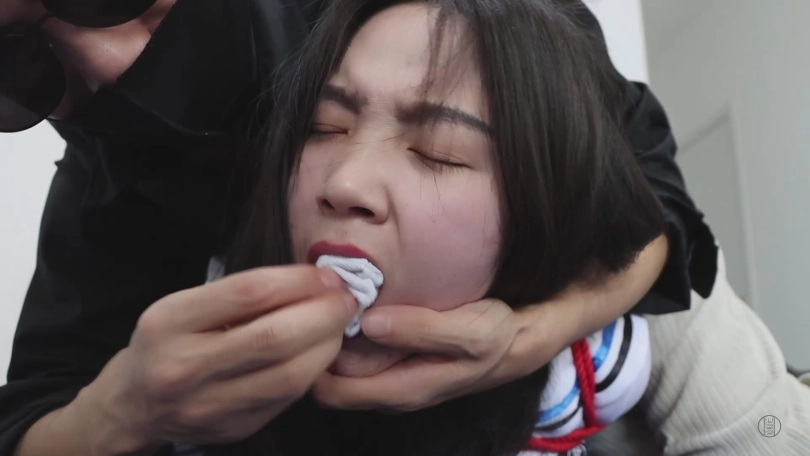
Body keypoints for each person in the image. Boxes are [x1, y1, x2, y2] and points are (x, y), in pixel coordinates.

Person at [0, 0, 717, 455]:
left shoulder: (651, 353)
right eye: (17, 55)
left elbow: (650, 201)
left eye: (437, 150)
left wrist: (535, 335)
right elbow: (35, 409)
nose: (109, 64)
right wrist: (122, 411)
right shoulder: (109, 175)